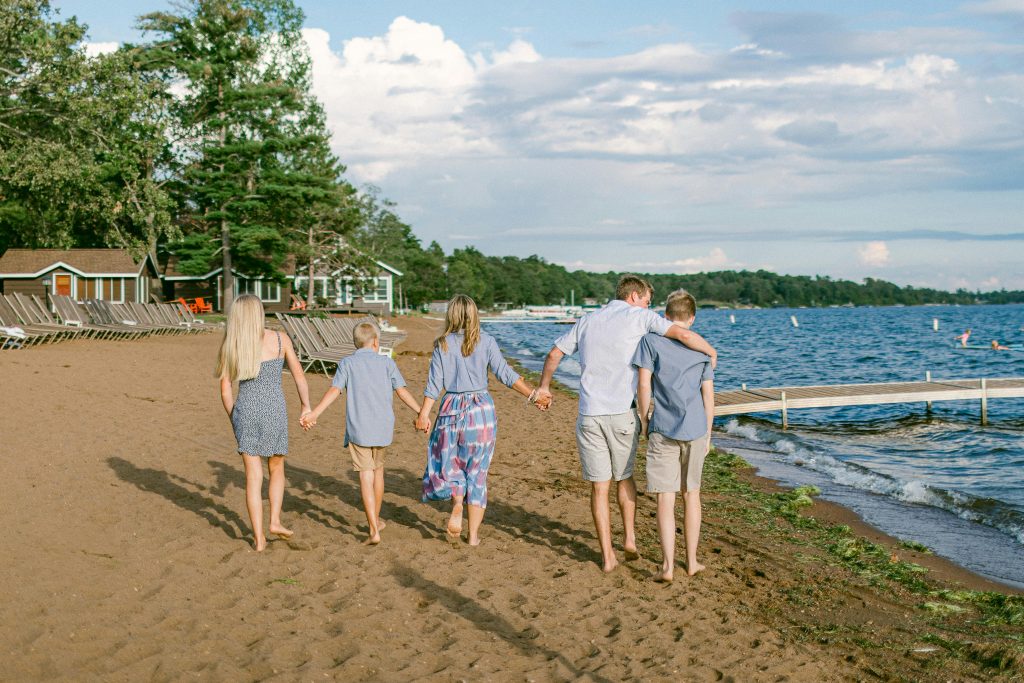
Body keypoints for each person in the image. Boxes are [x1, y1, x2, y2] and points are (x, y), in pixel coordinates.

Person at [535, 275, 717, 573]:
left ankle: (608, 556)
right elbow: (684, 336)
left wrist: (544, 387)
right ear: (634, 296)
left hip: (589, 414)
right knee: (624, 477)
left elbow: (555, 353)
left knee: (599, 487)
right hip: (621, 412)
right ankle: (630, 538)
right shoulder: (640, 317)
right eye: (647, 300)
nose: (649, 306)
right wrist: (711, 352)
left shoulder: (587, 320)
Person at [417, 294, 547, 546]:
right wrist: (533, 395)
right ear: (475, 315)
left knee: (450, 463)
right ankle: (474, 536)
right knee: (477, 473)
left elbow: (434, 384)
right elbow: (505, 374)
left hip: (451, 408)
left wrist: (423, 414)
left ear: (451, 315)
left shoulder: (442, 344)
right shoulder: (486, 341)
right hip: (481, 413)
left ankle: (457, 501)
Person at [301, 322, 425, 544]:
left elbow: (334, 390)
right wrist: (421, 411)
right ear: (376, 342)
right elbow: (402, 391)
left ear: (355, 343)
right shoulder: (387, 363)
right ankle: (375, 521)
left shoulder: (347, 363)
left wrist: (315, 413)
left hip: (359, 428)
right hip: (383, 428)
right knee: (378, 472)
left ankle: (373, 529)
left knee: (365, 475)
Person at [216, 294, 311, 552]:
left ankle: (258, 540)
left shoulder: (233, 344)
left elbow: (225, 391)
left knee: (253, 477)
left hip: (246, 411)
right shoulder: (280, 339)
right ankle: (275, 521)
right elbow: (299, 377)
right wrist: (306, 406)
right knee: (276, 467)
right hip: (274, 411)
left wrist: (234, 418)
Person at [632, 290, 714, 582]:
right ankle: (691, 562)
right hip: (696, 428)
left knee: (665, 499)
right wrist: (709, 433)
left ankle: (667, 567)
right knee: (692, 495)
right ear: (692, 318)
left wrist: (644, 419)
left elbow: (644, 385)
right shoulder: (703, 350)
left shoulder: (650, 341)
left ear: (665, 317)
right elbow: (708, 397)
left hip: (663, 427)